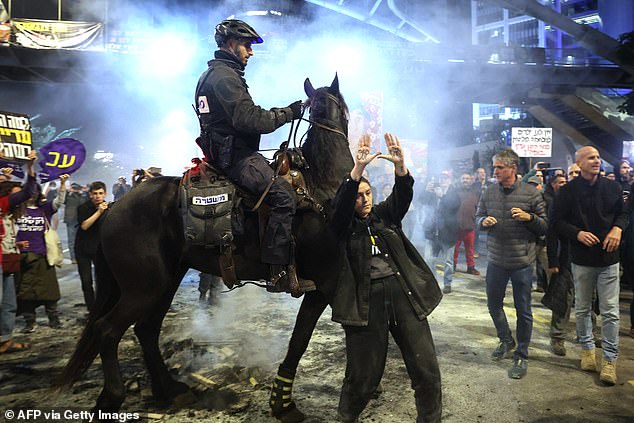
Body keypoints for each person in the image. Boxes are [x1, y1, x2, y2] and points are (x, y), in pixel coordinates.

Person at [330, 133, 442, 423]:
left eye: (367, 194)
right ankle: (346, 418)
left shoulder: (385, 217)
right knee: (363, 379)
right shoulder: (342, 226)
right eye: (358, 196)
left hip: (404, 296)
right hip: (366, 306)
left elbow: (403, 196)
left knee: (426, 372)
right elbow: (340, 208)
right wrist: (357, 170)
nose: (364, 200)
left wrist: (401, 168)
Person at [194, 19, 306, 295]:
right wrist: (289, 112)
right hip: (237, 158)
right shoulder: (224, 78)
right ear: (231, 44)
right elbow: (252, 120)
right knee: (283, 197)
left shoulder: (213, 75)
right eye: (246, 45)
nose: (251, 52)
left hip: (222, 153)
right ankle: (276, 270)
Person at [551, 146, 631, 386]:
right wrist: (577, 234)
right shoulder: (567, 192)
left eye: (598, 156)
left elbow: (624, 214)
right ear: (579, 163)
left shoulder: (612, 187)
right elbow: (556, 222)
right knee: (583, 308)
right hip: (582, 259)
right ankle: (587, 350)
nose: (597, 160)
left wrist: (618, 228)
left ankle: (609, 360)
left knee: (610, 312)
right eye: (591, 158)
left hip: (608, 259)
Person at [476, 148, 547, 379]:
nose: (495, 171)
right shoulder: (489, 192)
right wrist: (483, 221)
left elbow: (545, 226)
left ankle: (522, 354)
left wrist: (530, 218)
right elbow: (478, 217)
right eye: (494, 167)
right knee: (493, 304)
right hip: (496, 260)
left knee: (523, 310)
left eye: (499, 167)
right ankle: (506, 339)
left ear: (513, 168)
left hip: (522, 263)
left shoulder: (531, 194)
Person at [15, 174, 68, 332]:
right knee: (25, 293)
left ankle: (54, 319)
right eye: (29, 191)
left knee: (50, 291)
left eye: (35, 191)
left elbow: (59, 201)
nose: (32, 194)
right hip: (23, 257)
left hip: (43, 255)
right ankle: (30, 322)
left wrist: (63, 184)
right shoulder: (17, 210)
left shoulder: (44, 209)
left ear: (38, 193)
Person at [0, 152, 38, 352]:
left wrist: (29, 166)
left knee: (8, 301)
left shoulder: (5, 205)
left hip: (6, 259)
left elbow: (28, 191)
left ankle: (5, 339)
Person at [75, 181, 108, 312]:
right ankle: (92, 310)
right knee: (86, 282)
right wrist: (99, 212)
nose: (98, 196)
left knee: (102, 280)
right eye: (95, 194)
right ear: (90, 194)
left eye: (100, 193)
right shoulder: (83, 208)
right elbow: (84, 225)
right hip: (83, 249)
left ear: (105, 194)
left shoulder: (108, 208)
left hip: (99, 249)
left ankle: (102, 307)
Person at [453, 172, 480, 276]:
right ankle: (453, 266)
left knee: (470, 249)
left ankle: (471, 267)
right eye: (463, 178)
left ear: (471, 180)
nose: (465, 180)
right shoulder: (455, 192)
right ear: (460, 180)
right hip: (456, 226)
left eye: (467, 178)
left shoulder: (475, 193)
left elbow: (478, 208)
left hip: (470, 226)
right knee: (454, 249)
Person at [63, 182, 87, 264]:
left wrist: (84, 192)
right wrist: (67, 191)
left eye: (76, 188)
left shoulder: (82, 196)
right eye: (74, 188)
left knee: (82, 239)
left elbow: (84, 203)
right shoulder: (68, 196)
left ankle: (82, 256)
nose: (75, 190)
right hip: (71, 220)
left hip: (81, 220)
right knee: (71, 240)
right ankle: (73, 257)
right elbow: (62, 199)